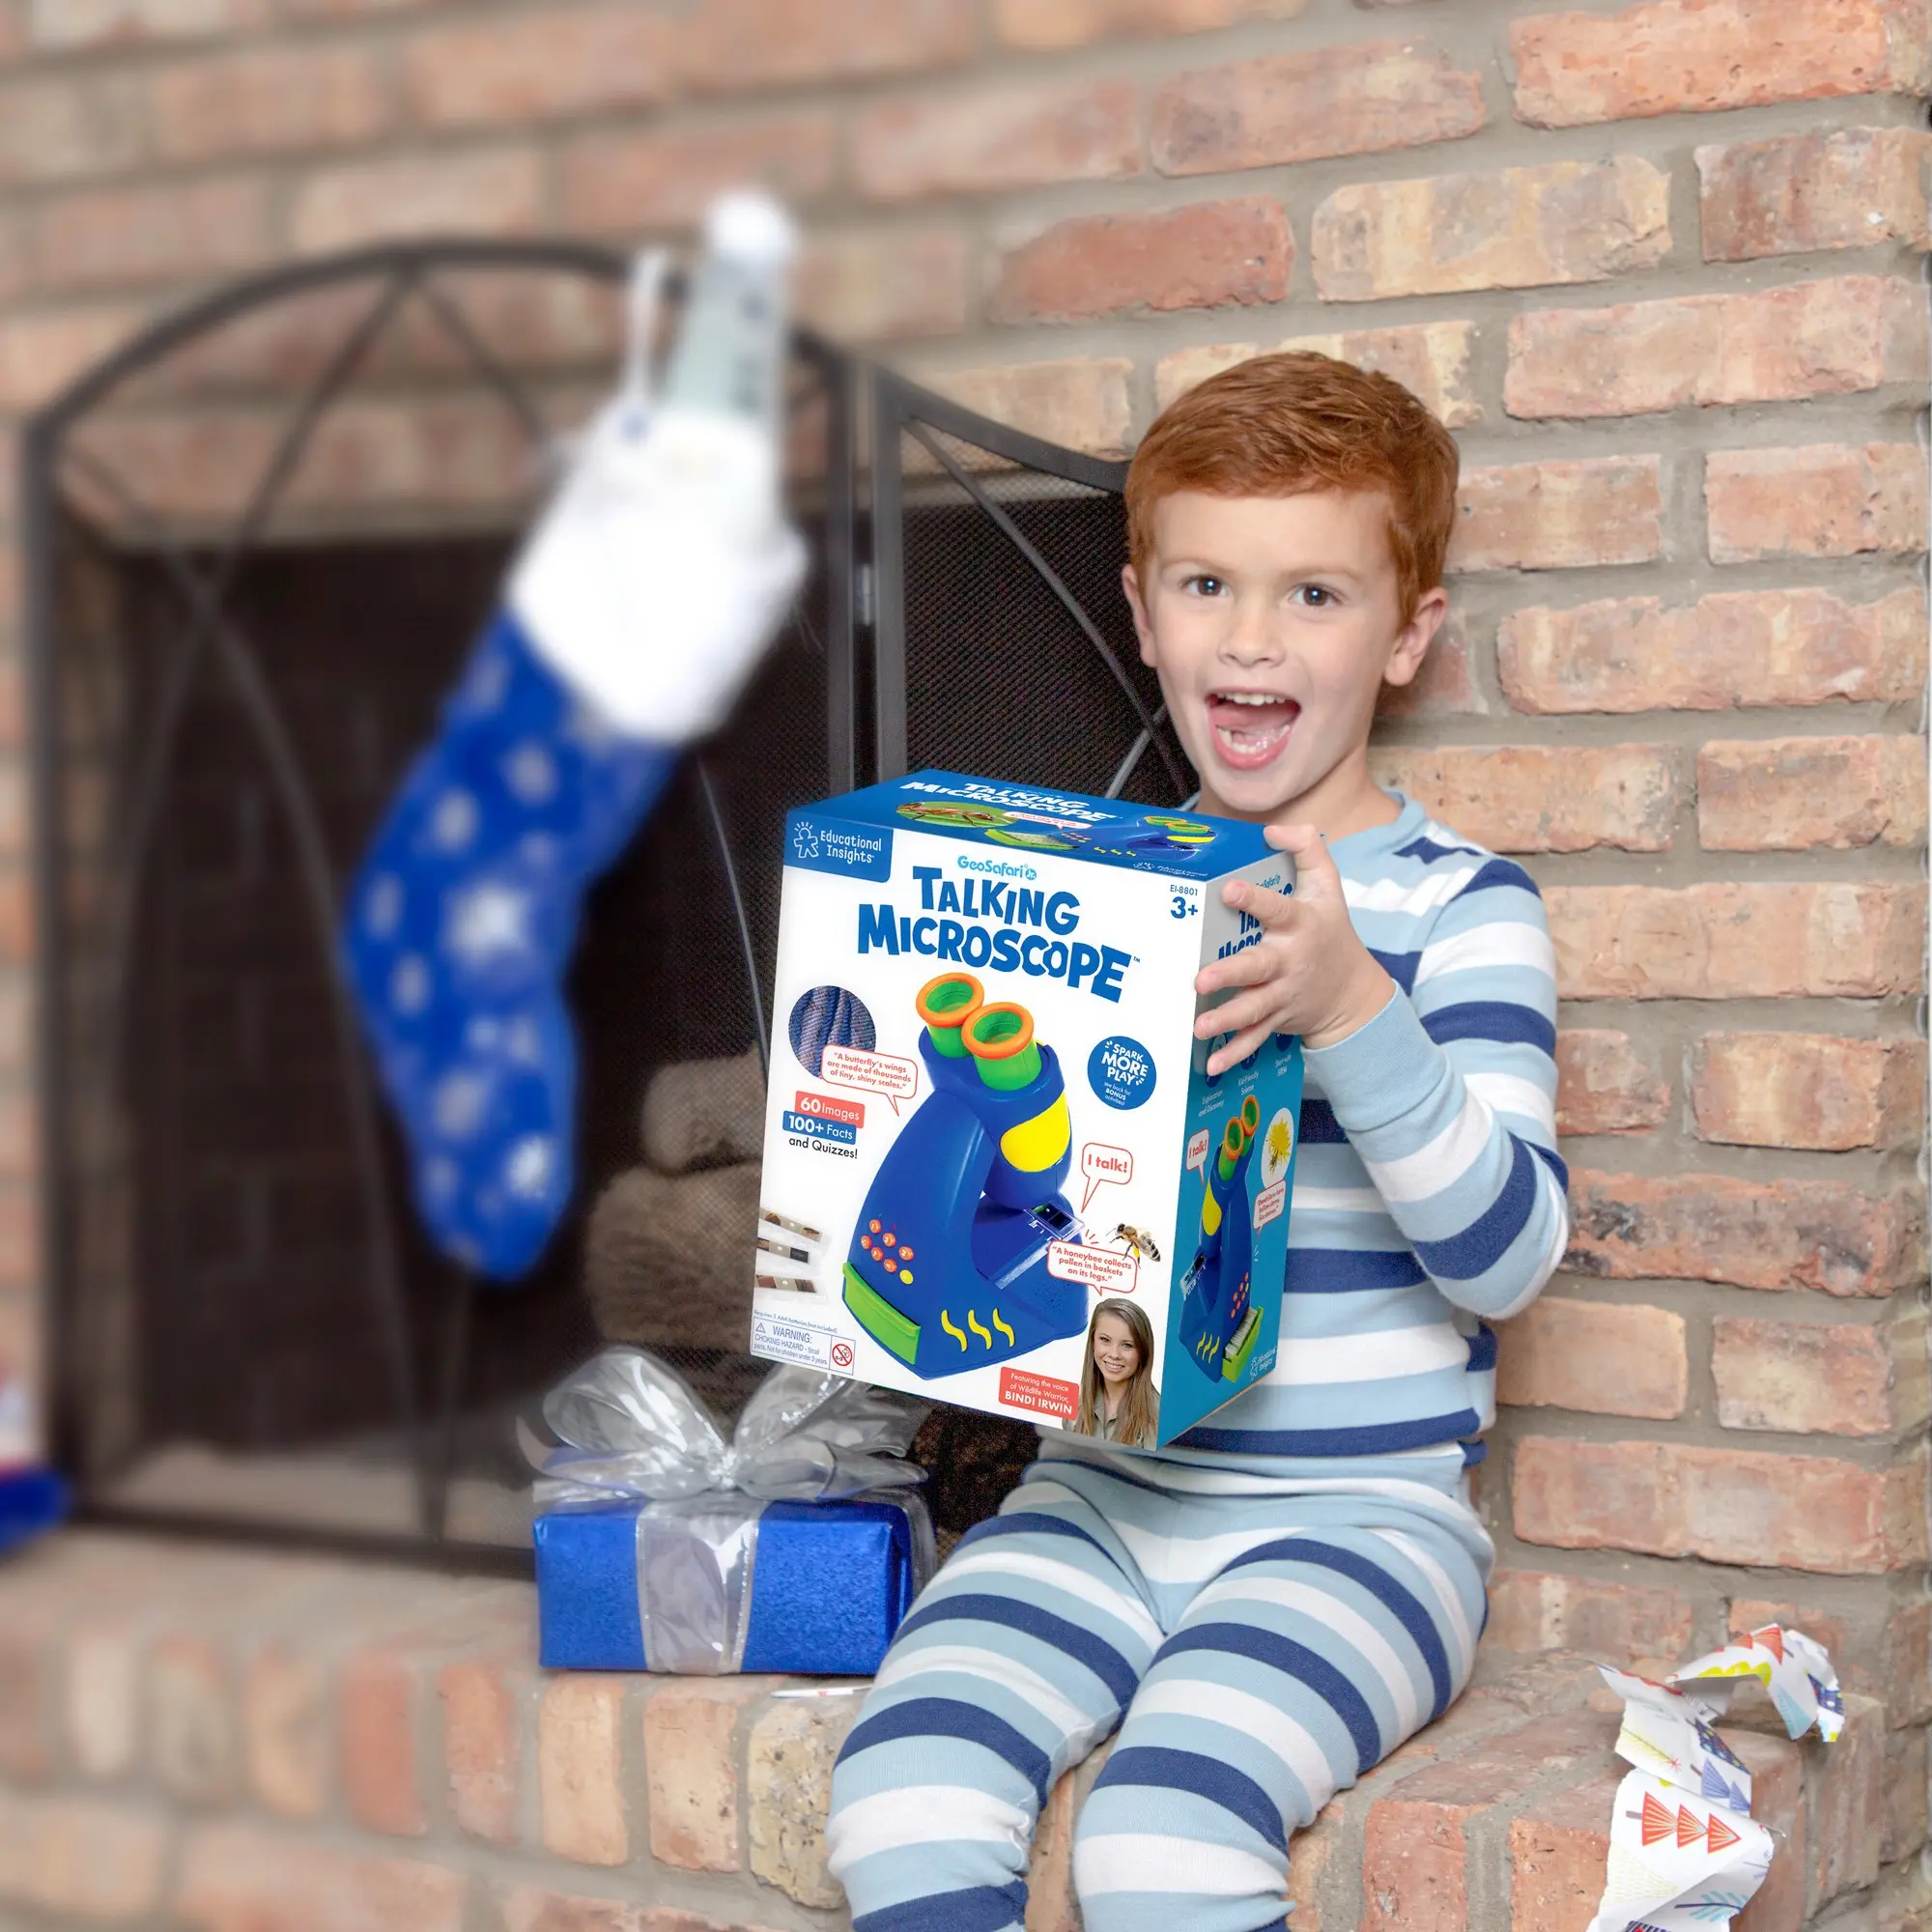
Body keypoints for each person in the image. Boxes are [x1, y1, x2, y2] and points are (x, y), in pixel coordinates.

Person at [826, 353, 1568, 1932]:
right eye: (1209, 584)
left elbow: (1509, 1263)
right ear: (1143, 614)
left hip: (1361, 1530)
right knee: (901, 1796)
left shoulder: (1462, 906)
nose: (1250, 637)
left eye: (1316, 594)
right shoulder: (1087, 906)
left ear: (1408, 635)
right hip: (1098, 1503)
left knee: (1161, 1839)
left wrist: (1354, 1004)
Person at [1073, 1298, 1157, 1448]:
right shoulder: (1075, 1404)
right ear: (1092, 1341)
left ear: (1143, 1352)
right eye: (1105, 1340)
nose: (1114, 1354)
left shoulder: (1158, 1418)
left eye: (1127, 1345)